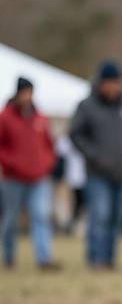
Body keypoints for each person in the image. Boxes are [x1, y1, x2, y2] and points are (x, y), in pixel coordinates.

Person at [70, 60, 122, 269]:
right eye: (110, 82)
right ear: (101, 83)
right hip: (97, 173)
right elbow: (75, 135)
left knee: (117, 218)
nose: (114, 87)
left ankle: (110, 259)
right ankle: (97, 259)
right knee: (100, 215)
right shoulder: (87, 106)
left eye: (117, 82)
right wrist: (94, 155)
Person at [0, 77, 60, 270]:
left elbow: (50, 146)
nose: (28, 96)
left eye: (30, 92)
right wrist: (11, 163)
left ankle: (44, 259)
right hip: (13, 179)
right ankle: (9, 257)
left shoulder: (40, 118)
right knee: (12, 219)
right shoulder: (5, 117)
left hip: (38, 178)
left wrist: (46, 164)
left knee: (41, 216)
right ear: (17, 93)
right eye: (24, 92)